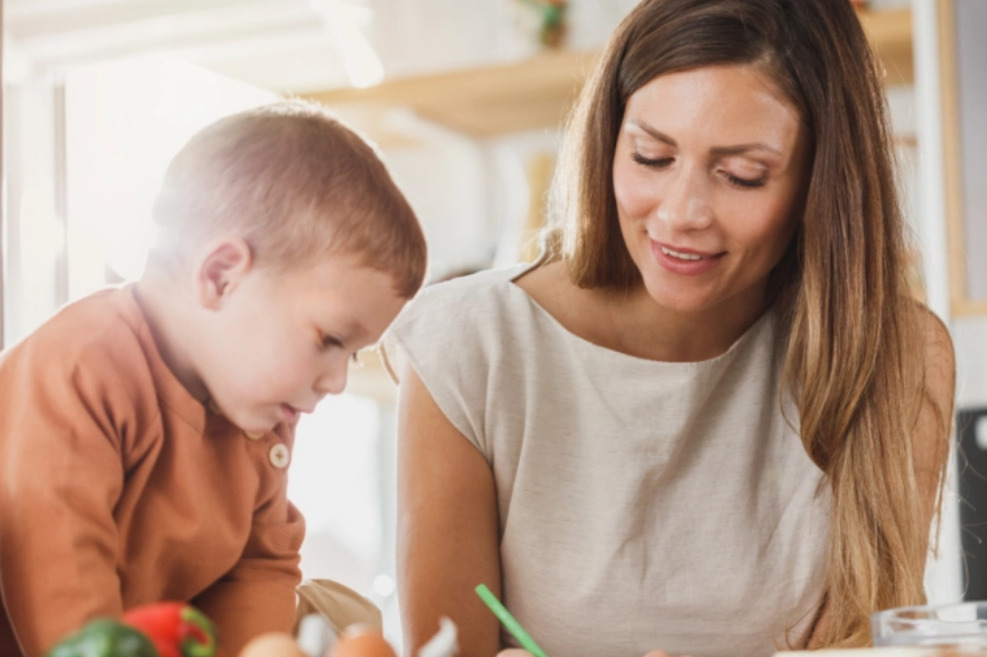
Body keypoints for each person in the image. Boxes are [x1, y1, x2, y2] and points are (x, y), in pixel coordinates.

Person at [381, 0, 955, 655]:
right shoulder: (467, 345)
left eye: (742, 175)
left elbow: (865, 642)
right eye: (651, 157)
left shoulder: (896, 358)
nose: (681, 213)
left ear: (818, 185)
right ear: (608, 141)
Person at [0, 100, 427, 657]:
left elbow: (258, 565)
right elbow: (58, 576)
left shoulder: (254, 412)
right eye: (329, 340)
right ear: (221, 276)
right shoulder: (82, 364)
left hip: (138, 639)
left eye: (356, 355)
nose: (338, 381)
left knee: (337, 611)